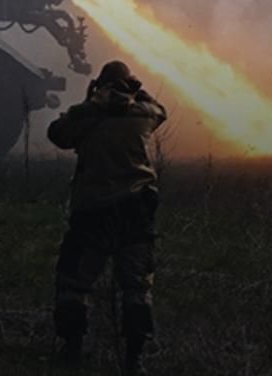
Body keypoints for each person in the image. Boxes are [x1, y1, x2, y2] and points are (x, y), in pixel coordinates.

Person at [47, 60, 168, 373]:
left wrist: (90, 101)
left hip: (93, 212)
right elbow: (160, 110)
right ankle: (134, 359)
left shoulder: (84, 117)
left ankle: (72, 349)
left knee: (73, 282)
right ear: (128, 86)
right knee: (137, 287)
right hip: (136, 210)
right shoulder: (141, 115)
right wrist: (138, 89)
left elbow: (57, 134)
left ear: (99, 85)